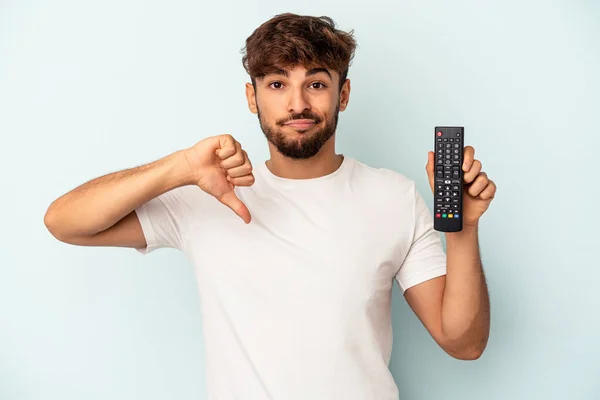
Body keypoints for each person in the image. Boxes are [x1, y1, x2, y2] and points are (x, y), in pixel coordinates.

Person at [44, 13, 496, 400]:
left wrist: (462, 231)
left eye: (315, 83)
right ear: (252, 97)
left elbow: (464, 342)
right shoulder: (208, 194)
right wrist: (178, 167)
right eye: (277, 83)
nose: (297, 103)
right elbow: (64, 222)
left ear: (343, 95)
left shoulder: (393, 196)